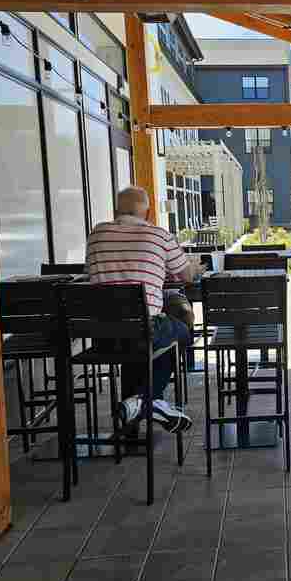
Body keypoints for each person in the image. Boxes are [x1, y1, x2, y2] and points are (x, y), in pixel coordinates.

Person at [86, 186, 201, 434]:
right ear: (147, 214)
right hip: (143, 332)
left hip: (103, 337)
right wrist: (194, 265)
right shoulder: (158, 235)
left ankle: (136, 411)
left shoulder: (96, 234)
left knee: (144, 335)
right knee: (181, 330)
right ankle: (148, 401)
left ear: (115, 210)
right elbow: (187, 275)